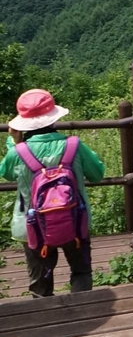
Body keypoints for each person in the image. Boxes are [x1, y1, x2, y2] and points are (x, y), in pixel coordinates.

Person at [0, 89, 105, 297]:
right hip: (75, 220)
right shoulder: (73, 145)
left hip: (33, 226)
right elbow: (97, 174)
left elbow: (6, 174)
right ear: (54, 117)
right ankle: (82, 309)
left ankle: (44, 319)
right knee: (81, 271)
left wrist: (14, 142)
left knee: (40, 282)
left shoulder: (17, 152)